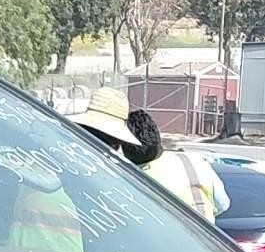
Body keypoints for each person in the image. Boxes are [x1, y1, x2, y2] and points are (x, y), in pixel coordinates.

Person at [76, 88, 229, 222]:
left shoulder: (130, 179)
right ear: (157, 135)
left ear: (121, 146)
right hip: (208, 246)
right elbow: (223, 205)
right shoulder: (193, 162)